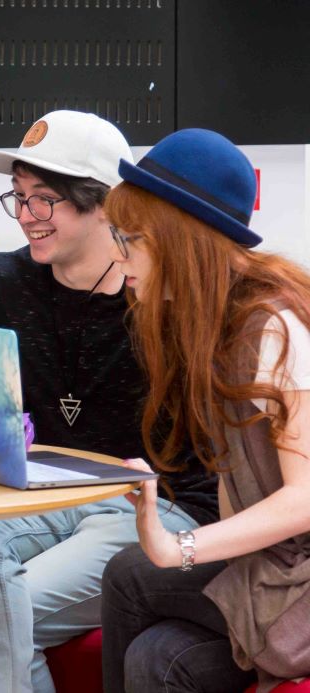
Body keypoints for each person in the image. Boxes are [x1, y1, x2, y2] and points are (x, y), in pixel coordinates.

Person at [0, 111, 218, 692]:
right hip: (41, 492)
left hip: (149, 501)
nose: (26, 217)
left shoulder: (159, 292)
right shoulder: (0, 281)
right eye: (17, 197)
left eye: (45, 200)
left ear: (106, 203)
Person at [100, 129, 310, 692]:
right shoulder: (215, 320)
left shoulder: (275, 325)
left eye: (131, 239)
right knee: (157, 658)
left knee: (129, 574)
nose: (119, 258)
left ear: (179, 239)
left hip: (300, 577)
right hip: (276, 566)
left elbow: (306, 496)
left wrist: (182, 548)